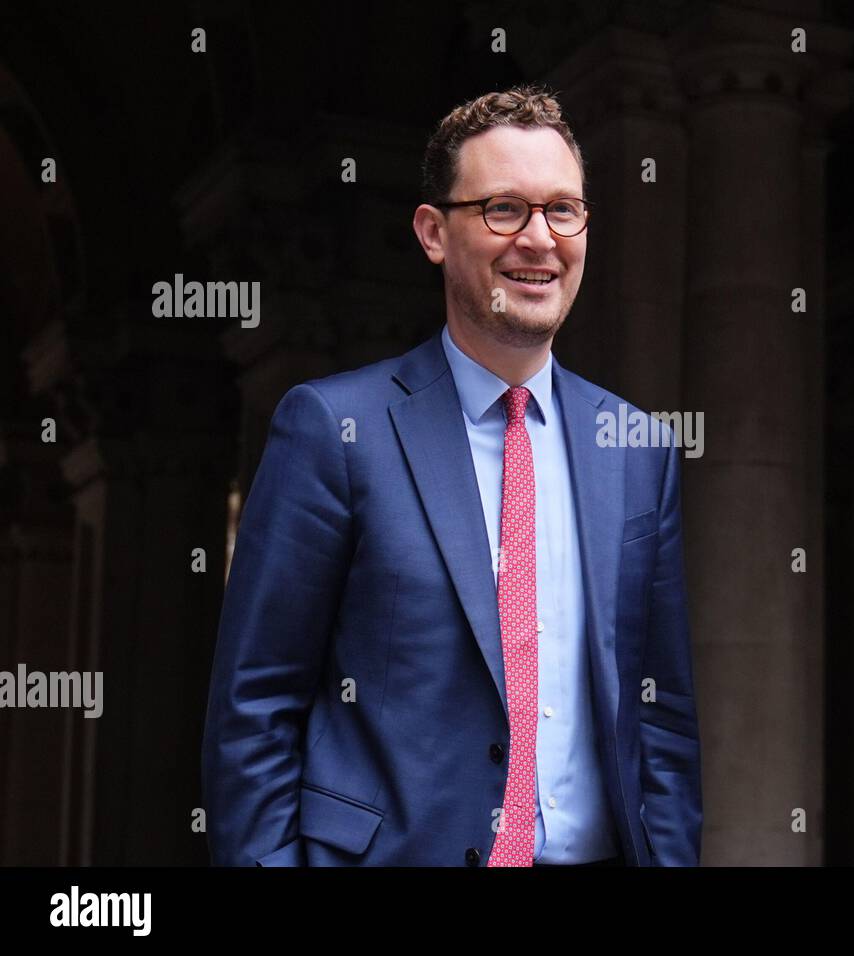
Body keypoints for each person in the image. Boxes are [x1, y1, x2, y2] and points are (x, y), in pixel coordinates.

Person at [200, 85, 702, 867]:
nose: (540, 239)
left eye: (564, 210)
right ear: (434, 232)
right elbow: (255, 705)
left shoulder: (637, 448)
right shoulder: (333, 430)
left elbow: (663, 722)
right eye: (504, 209)